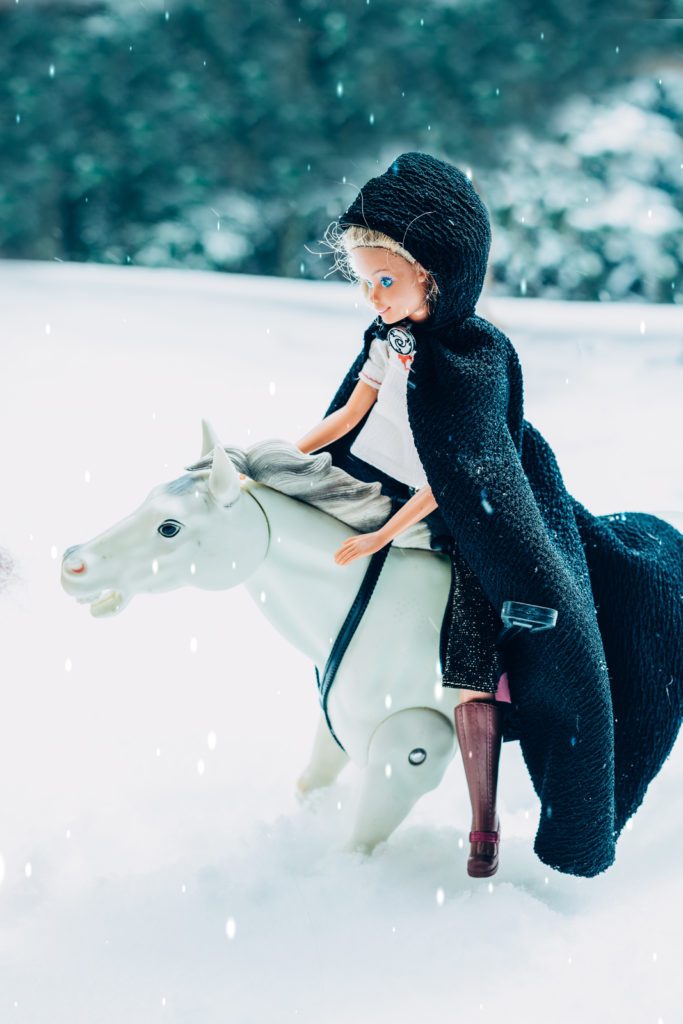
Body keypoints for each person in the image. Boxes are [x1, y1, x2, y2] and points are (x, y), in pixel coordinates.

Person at [297, 152, 683, 879]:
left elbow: (460, 478)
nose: (374, 297)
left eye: (387, 281)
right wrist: (280, 460)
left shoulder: (475, 358)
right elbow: (348, 415)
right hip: (392, 494)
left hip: (476, 524)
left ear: (437, 275)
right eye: (365, 282)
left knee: (474, 656)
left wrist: (386, 534)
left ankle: (485, 822)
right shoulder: (385, 340)